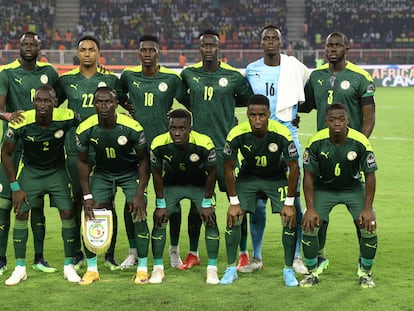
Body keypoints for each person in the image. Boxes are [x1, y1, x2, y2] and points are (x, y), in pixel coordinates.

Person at [299, 31, 376, 275]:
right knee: (317, 211)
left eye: (337, 45)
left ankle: (363, 264)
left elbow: (369, 118)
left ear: (347, 47)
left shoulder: (360, 78)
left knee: (361, 214)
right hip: (322, 154)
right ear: (324, 49)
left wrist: (355, 149)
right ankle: (318, 256)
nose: (333, 49)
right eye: (329, 45)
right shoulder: (316, 77)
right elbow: (306, 104)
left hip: (349, 154)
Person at [180, 29, 253, 270]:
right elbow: (184, 98)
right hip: (197, 152)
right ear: (199, 48)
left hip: (226, 151)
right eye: (204, 45)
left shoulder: (232, 76)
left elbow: (246, 98)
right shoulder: (189, 74)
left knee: (237, 201)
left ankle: (243, 252)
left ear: (218, 48)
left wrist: (226, 106)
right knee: (196, 204)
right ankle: (193, 252)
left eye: (212, 44)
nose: (208, 48)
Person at [55, 35, 128, 272]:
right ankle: (78, 252)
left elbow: (127, 105)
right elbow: (50, 108)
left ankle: (108, 253)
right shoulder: (66, 81)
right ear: (78, 53)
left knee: (107, 202)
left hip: (106, 150)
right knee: (79, 200)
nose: (87, 53)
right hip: (77, 150)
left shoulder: (109, 79)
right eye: (83, 50)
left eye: (92, 50)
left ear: (99, 53)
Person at [244, 25, 309, 275]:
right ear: (261, 43)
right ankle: (256, 257)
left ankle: (296, 257)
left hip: (287, 134)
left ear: (281, 43)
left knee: (295, 197)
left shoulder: (294, 67)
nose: (270, 42)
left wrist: (295, 116)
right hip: (259, 137)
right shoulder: (252, 70)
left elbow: (308, 93)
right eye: (266, 38)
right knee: (258, 201)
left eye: (275, 38)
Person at [119, 34, 188, 270]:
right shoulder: (128, 76)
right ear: (138, 53)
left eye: (152, 50)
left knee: (173, 202)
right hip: (134, 149)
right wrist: (127, 106)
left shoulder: (171, 78)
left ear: (159, 53)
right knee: (132, 200)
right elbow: (116, 94)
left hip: (164, 149)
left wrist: (175, 115)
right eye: (143, 50)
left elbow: (189, 102)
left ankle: (174, 250)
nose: (147, 54)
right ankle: (133, 252)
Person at [1, 85, 81, 285]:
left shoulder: (67, 116)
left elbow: (87, 123)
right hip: (31, 172)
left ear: (55, 102)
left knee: (68, 213)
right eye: (39, 100)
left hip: (57, 172)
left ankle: (69, 265)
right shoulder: (22, 122)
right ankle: (20, 268)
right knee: (20, 213)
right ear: (34, 102)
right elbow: (5, 153)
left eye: (48, 100)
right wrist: (15, 187)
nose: (43, 104)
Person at [220, 94, 299, 286]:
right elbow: (228, 168)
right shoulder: (236, 134)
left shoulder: (282, 133)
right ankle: (231, 269)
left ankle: (289, 270)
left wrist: (289, 203)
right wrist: (233, 202)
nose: (257, 120)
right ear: (247, 114)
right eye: (253, 115)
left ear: (269, 115)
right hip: (249, 178)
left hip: (275, 177)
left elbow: (294, 167)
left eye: (262, 115)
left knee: (289, 218)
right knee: (234, 216)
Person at [76, 86, 149, 285]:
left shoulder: (133, 127)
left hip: (129, 172)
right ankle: (92, 270)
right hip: (102, 173)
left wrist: (140, 193)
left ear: (116, 104)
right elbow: (82, 162)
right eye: (99, 102)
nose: (104, 106)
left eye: (108, 101)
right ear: (94, 104)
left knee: (138, 213)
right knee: (91, 214)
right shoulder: (85, 128)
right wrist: (87, 196)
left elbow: (144, 160)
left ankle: (142, 268)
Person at [300, 103, 378, 288]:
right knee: (309, 225)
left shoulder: (360, 142)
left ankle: (365, 272)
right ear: (325, 121)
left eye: (341, 119)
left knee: (369, 225)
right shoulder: (315, 142)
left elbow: (370, 175)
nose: (337, 123)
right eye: (332, 119)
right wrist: (310, 208)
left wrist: (368, 208)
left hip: (352, 188)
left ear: (348, 120)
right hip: (324, 189)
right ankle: (313, 270)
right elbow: (308, 176)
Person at [0, 31, 59, 276]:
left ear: (39, 47)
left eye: (32, 44)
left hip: (39, 146)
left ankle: (39, 258)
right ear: (19, 47)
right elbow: (0, 108)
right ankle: (2, 259)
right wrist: (7, 115)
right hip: (12, 146)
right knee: (4, 204)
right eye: (24, 44)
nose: (27, 48)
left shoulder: (51, 73)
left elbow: (60, 98)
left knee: (36, 203)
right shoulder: (7, 73)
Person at [150, 109, 220, 284]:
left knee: (210, 218)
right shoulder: (158, 143)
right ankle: (158, 269)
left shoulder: (204, 143)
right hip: (173, 183)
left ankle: (212, 269)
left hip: (198, 183)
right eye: (173, 128)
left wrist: (206, 202)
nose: (177, 133)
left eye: (182, 128)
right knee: (160, 218)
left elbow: (212, 173)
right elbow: (157, 174)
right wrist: (160, 203)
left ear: (190, 128)